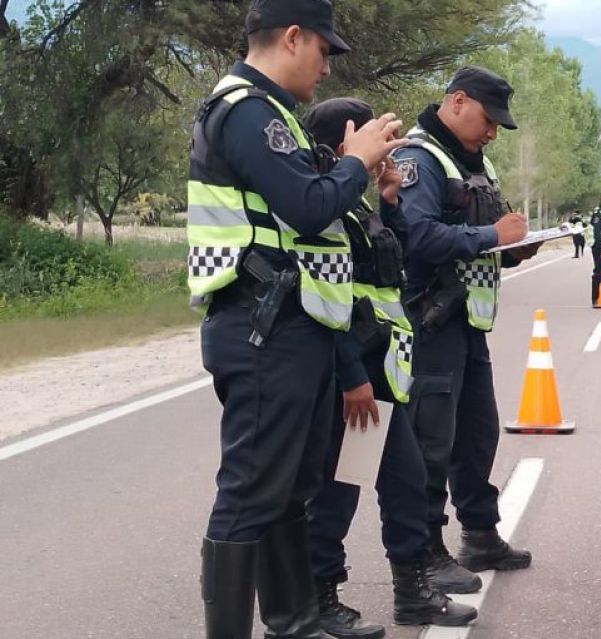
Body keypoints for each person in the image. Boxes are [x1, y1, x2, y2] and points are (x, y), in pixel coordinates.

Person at [187, 2, 406, 637]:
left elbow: (312, 218)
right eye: (322, 51)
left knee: (291, 486)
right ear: (291, 37)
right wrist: (355, 160)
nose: (326, 68)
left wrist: (362, 178)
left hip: (296, 326)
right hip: (263, 326)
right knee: (252, 490)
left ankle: (294, 622)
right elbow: (308, 207)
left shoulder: (273, 113)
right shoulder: (246, 111)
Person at [301, 99, 478, 638]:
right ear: (342, 145)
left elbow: (391, 262)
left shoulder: (358, 207)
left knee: (405, 481)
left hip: (380, 373)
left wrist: (390, 199)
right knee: (338, 492)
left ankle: (412, 592)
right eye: (377, 136)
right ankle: (319, 597)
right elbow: (328, 303)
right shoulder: (322, 212)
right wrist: (351, 376)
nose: (387, 147)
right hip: (352, 377)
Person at [392, 66, 536, 586]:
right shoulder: (420, 159)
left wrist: (513, 247)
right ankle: (425, 553)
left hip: (467, 320)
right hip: (429, 320)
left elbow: (477, 232)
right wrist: (492, 235)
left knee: (477, 434)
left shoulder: (474, 162)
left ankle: (479, 534)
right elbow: (418, 237)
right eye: (488, 119)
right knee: (431, 442)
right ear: (456, 102)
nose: (493, 131)